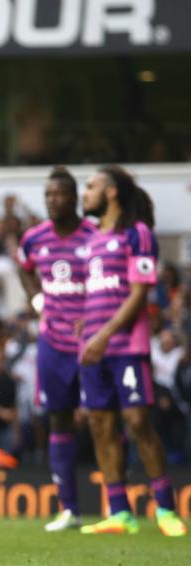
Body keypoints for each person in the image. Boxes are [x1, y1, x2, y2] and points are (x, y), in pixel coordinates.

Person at [77, 166, 186, 537]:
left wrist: (104, 334)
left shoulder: (137, 234)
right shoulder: (91, 239)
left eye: (90, 187)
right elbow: (97, 292)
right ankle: (120, 512)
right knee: (101, 426)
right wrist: (85, 326)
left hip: (126, 347)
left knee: (138, 421)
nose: (85, 193)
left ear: (110, 193)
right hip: (92, 346)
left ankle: (167, 509)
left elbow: (140, 293)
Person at [16, 166, 97, 532]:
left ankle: (120, 500)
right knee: (58, 419)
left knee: (105, 418)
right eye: (48, 195)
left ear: (74, 198)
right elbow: (24, 266)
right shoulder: (34, 238)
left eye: (59, 195)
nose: (53, 201)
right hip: (53, 342)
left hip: (93, 342)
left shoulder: (94, 236)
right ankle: (69, 509)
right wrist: (35, 297)